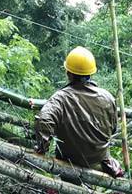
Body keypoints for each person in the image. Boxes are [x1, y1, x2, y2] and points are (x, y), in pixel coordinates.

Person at [35, 46, 124, 177]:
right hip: (99, 162)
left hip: (69, 162)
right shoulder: (107, 97)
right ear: (91, 73)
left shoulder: (61, 98)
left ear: (68, 73)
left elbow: (43, 120)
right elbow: (113, 128)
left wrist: (42, 147)